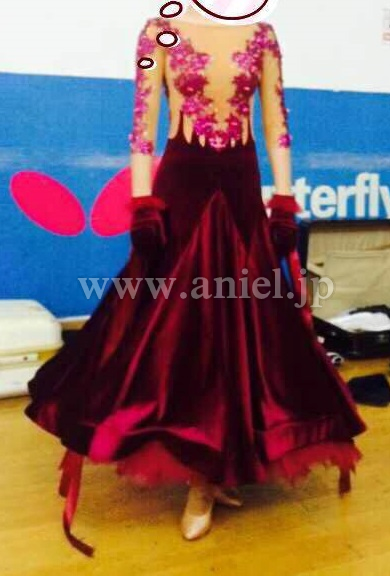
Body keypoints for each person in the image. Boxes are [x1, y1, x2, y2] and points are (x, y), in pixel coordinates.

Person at [24, 6, 367, 557]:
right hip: (181, 195)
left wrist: (283, 198)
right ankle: (200, 472)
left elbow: (277, 123)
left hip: (240, 192)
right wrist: (143, 204)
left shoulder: (262, 35)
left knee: (245, 332)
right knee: (178, 332)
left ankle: (216, 470)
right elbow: (142, 124)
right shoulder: (159, 31)